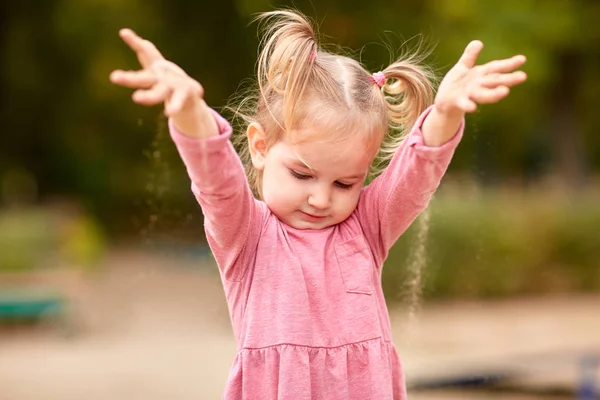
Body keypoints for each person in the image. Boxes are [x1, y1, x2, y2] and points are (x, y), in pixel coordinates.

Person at [110, 9, 527, 400]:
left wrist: (445, 114)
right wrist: (190, 114)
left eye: (346, 182)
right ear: (259, 146)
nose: (321, 198)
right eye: (302, 174)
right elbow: (215, 182)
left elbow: (416, 174)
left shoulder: (366, 225)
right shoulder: (246, 234)